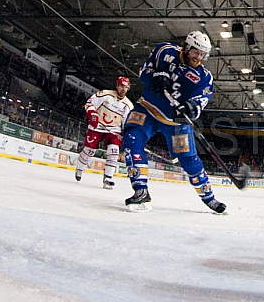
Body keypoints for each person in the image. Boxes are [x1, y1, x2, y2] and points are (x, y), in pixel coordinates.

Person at [121, 32, 226, 213]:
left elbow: (200, 101)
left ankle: (209, 198)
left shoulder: (204, 77)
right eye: (196, 52)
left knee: (189, 161)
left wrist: (190, 108)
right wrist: (154, 77)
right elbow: (144, 71)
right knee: (131, 139)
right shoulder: (164, 50)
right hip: (148, 108)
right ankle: (141, 190)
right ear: (187, 47)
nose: (198, 57)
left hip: (175, 122)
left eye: (202, 54)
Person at [74, 76, 134, 189]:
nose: (123, 89)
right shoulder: (105, 94)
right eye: (121, 86)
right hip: (97, 126)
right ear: (117, 86)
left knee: (114, 151)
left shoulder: (129, 105)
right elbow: (90, 104)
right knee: (89, 151)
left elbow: (127, 122)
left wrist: (127, 133)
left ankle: (108, 177)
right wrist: (92, 114)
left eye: (126, 87)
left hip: (114, 130)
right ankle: (79, 169)